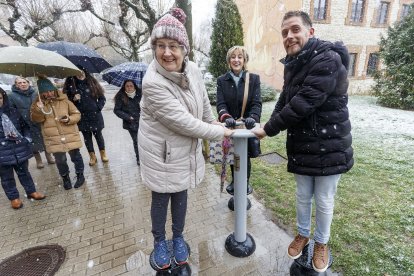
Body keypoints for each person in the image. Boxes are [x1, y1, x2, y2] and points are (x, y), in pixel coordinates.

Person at [252, 11, 353, 273]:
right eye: (284, 32)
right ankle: (303, 234)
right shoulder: (294, 63)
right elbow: (285, 99)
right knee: (302, 197)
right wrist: (266, 124)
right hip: (303, 145)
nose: (289, 36)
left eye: (295, 30)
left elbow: (303, 102)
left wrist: (269, 130)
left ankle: (321, 242)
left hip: (330, 145)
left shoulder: (327, 59)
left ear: (311, 32)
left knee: (324, 200)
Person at [139, 8, 233, 270]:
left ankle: (178, 237)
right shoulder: (153, 83)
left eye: (173, 46)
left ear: (184, 49)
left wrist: (214, 121)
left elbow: (202, 103)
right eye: (160, 46)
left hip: (183, 152)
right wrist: (222, 132)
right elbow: (185, 123)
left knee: (180, 196)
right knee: (161, 200)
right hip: (160, 153)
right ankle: (159, 241)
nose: (166, 52)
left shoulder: (192, 69)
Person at [216, 45, 262, 195]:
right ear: (229, 60)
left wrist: (252, 118)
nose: (236, 60)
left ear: (244, 60)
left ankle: (245, 181)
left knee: (245, 155)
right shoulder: (222, 80)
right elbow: (221, 103)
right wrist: (226, 117)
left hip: (246, 127)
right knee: (232, 155)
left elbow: (256, 103)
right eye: (233, 57)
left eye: (239, 57)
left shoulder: (253, 79)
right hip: (231, 126)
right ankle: (235, 181)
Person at [30, 77, 85, 190]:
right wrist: (39, 109)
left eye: (51, 90)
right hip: (53, 139)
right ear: (41, 93)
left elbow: (77, 114)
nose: (49, 94)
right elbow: (36, 119)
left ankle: (80, 175)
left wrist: (69, 119)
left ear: (54, 90)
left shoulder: (65, 101)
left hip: (69, 135)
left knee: (76, 157)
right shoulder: (37, 104)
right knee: (60, 160)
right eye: (46, 92)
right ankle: (65, 178)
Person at [0, 88, 46, 209]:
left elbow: (24, 126)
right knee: (6, 177)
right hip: (2, 153)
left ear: (3, 98)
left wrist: (27, 139)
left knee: (24, 173)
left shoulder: (12, 111)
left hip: (19, 148)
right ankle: (14, 198)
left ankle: (31, 191)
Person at [63, 67, 108, 166]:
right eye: (77, 72)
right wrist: (73, 99)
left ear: (85, 72)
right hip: (82, 116)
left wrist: (97, 107)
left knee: (98, 136)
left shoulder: (92, 82)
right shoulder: (71, 85)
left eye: (81, 71)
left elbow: (102, 98)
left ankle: (103, 153)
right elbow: (66, 103)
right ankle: (92, 157)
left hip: (95, 115)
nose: (80, 74)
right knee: (87, 137)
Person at [8, 77, 55, 169]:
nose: (22, 84)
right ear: (16, 85)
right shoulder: (12, 96)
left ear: (28, 83)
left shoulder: (36, 93)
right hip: (25, 123)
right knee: (32, 142)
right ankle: (39, 160)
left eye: (24, 82)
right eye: (19, 83)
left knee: (45, 139)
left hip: (39, 120)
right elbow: (11, 110)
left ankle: (49, 156)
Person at [113, 80, 142, 165]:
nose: (129, 88)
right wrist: (128, 117)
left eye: (131, 86)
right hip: (131, 122)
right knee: (136, 141)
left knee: (145, 141)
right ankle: (139, 158)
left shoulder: (141, 94)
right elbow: (116, 110)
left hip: (143, 121)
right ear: (124, 87)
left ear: (134, 86)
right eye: (127, 86)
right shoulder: (120, 96)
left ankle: (147, 157)